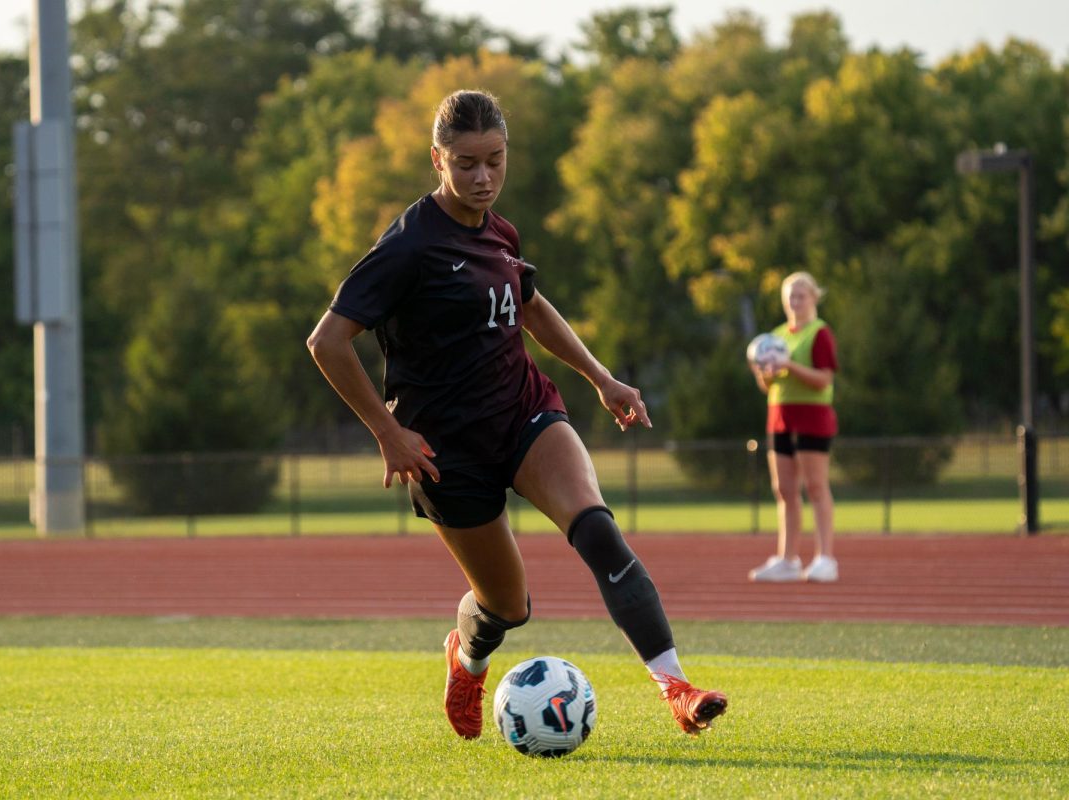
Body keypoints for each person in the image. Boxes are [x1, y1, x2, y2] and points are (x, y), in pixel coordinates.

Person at [307, 90, 726, 739]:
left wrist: (602, 378)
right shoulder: (409, 246)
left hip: (525, 413)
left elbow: (529, 306)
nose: (482, 178)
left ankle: (676, 688)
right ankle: (466, 657)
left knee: (598, 531)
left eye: (495, 161)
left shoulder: (500, 231)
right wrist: (388, 434)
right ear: (437, 159)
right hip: (446, 451)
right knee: (508, 605)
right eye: (467, 163)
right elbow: (326, 341)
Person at [747, 271, 839, 583]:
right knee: (784, 490)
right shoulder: (776, 336)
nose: (795, 302)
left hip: (812, 417)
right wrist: (765, 372)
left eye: (801, 296)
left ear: (813, 298)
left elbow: (824, 379)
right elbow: (768, 385)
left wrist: (789, 366)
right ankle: (788, 558)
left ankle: (825, 557)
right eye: (790, 296)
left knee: (815, 487)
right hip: (780, 417)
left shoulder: (819, 333)